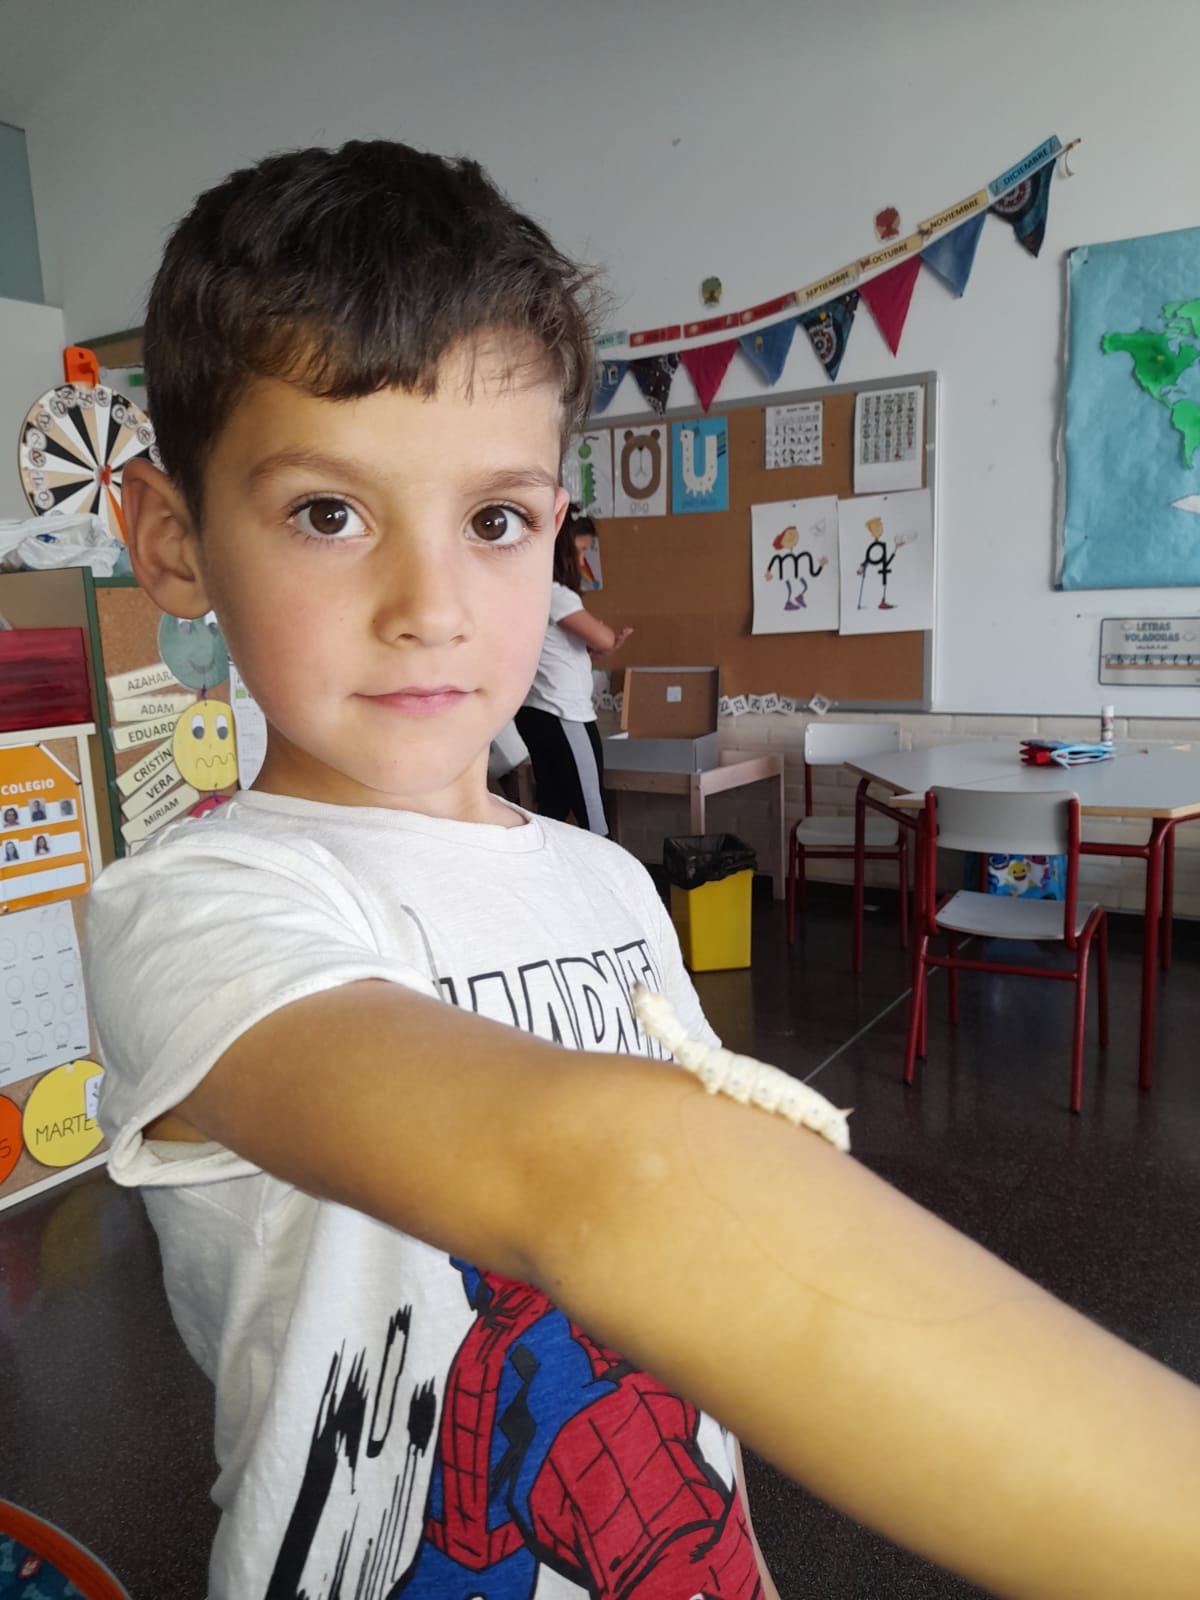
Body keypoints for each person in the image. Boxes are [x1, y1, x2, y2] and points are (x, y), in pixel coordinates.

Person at [84, 140, 1200, 1600]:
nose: (431, 607)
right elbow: (614, 1179)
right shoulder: (191, 909)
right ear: (174, 543)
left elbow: (690, 1350)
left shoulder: (608, 883)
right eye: (328, 513)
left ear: (555, 535)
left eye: (494, 521)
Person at [515, 504, 630, 833]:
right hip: (564, 713)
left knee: (553, 809)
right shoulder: (556, 594)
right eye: (579, 551)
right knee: (592, 816)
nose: (582, 562)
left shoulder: (526, 592)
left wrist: (594, 645)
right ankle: (607, 867)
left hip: (534, 712)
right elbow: (603, 637)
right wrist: (611, 639)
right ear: (561, 550)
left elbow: (555, 647)